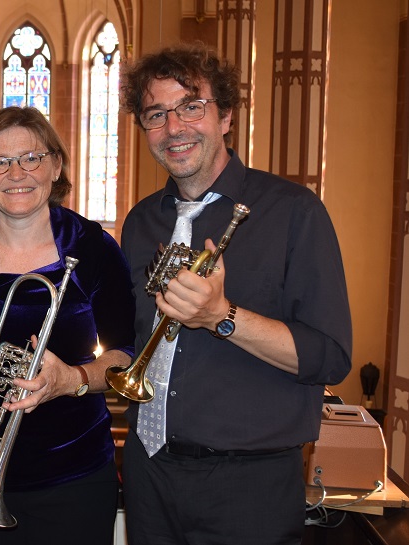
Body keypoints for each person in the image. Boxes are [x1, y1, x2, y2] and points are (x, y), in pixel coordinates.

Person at [118, 43, 352, 545]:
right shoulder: (141, 222)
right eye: (156, 114)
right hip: (148, 471)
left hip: (250, 484)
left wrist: (222, 316)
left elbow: (329, 358)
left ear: (225, 116)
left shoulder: (293, 212)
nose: (174, 127)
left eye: (191, 107)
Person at [0, 106, 136, 544]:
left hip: (73, 477)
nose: (17, 173)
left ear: (55, 165)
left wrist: (70, 379)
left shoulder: (93, 247)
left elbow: (124, 357)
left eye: (31, 158)